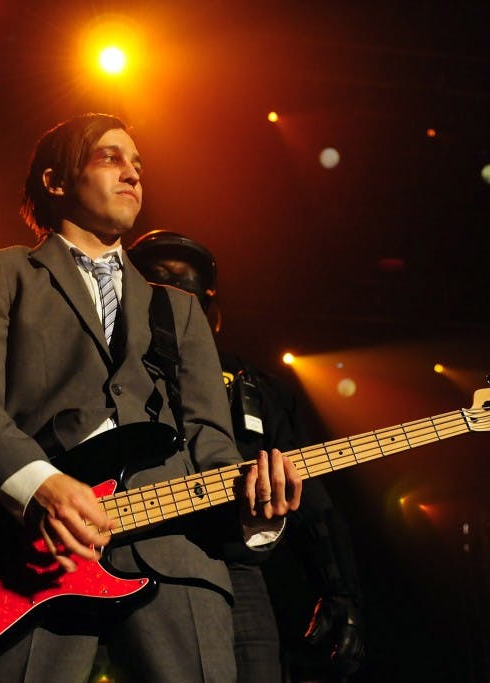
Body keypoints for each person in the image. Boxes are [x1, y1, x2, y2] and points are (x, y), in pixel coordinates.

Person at [0, 113, 302, 683]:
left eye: (138, 164)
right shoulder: (4, 272)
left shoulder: (176, 310)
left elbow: (211, 442)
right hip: (39, 555)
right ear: (56, 182)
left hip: (177, 555)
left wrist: (254, 510)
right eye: (110, 158)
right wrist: (40, 485)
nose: (132, 173)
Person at [127, 230, 366, 683]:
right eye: (160, 288)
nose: (179, 306)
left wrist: (340, 591)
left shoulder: (252, 383)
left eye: (191, 296)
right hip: (123, 552)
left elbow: (309, 494)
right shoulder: (111, 371)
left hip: (232, 562)